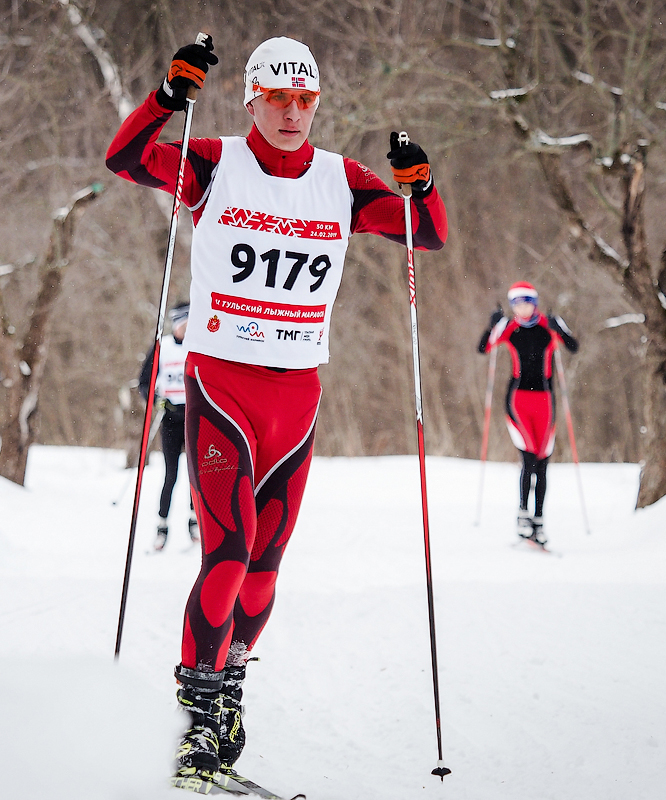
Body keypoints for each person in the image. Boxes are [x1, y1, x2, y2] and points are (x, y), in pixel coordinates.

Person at [107, 35, 447, 776]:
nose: (293, 112)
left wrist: (421, 185)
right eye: (278, 98)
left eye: (305, 99)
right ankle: (195, 716)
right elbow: (125, 159)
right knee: (227, 551)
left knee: (264, 564)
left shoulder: (341, 180)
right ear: (251, 100)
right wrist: (168, 98)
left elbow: (427, 233)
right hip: (223, 383)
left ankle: (229, 688)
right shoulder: (214, 163)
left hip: (296, 395)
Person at [477, 281, 578, 546]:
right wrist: (491, 325)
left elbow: (573, 346)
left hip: (545, 401)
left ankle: (539, 522)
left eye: (527, 303)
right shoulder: (509, 328)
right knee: (529, 459)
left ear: (534, 303)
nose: (522, 309)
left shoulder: (548, 324)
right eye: (517, 304)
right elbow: (483, 348)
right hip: (518, 401)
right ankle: (523, 515)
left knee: (543, 463)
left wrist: (559, 329)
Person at [138, 304, 198, 550]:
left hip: (194, 418)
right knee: (171, 474)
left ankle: (194, 522)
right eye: (184, 325)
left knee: (195, 474)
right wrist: (155, 400)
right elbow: (144, 382)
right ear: (176, 325)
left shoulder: (198, 346)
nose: (188, 330)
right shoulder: (163, 346)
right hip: (171, 417)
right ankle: (162, 527)